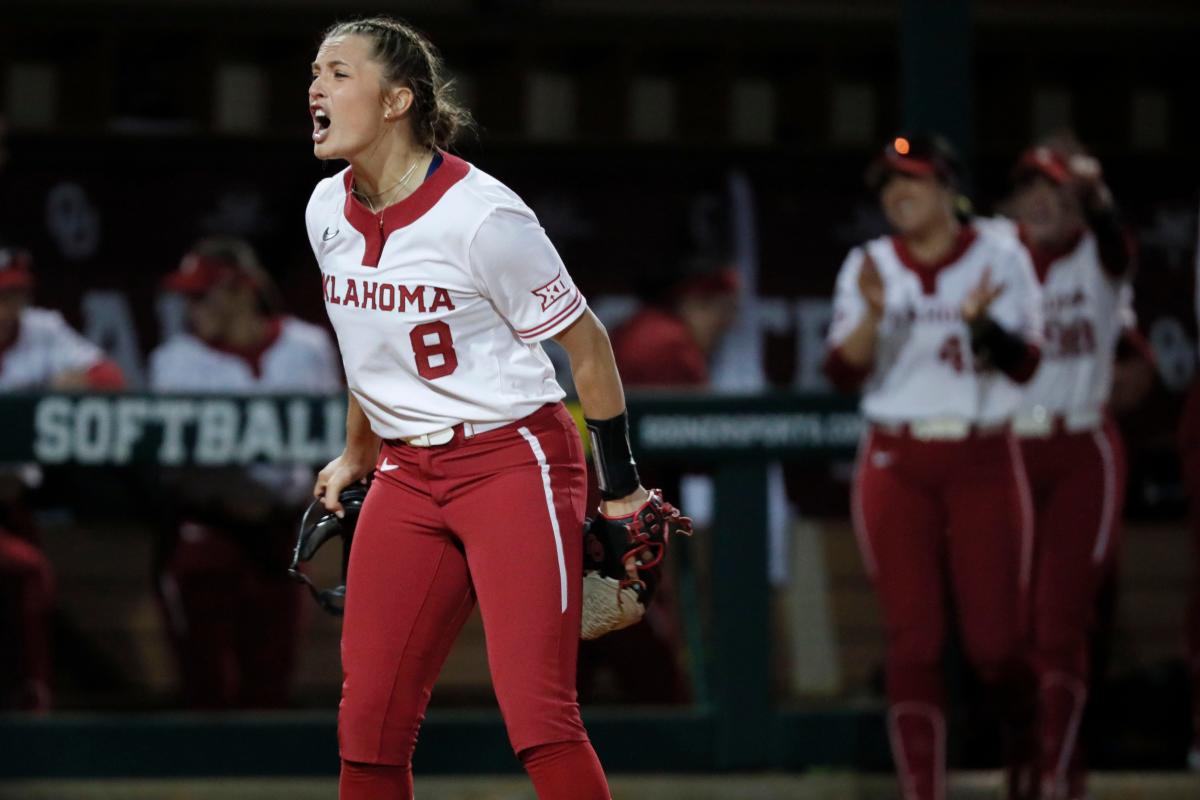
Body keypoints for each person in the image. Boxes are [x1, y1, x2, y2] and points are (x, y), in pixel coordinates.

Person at [305, 16, 676, 800]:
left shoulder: (483, 215)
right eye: (315, 72)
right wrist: (357, 452)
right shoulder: (324, 210)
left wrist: (622, 486)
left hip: (514, 459)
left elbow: (590, 349)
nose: (316, 87)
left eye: (339, 73)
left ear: (399, 99)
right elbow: (368, 350)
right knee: (367, 724)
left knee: (540, 716)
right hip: (408, 470)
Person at [823, 134, 1042, 800]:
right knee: (913, 639)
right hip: (897, 452)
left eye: (912, 180)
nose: (898, 195)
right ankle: (924, 791)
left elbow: (1024, 363)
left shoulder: (1001, 251)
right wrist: (876, 316)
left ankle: (1032, 763)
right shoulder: (870, 264)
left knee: (996, 646)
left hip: (981, 449)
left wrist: (980, 324)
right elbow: (839, 372)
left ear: (949, 188)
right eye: (889, 184)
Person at [995, 140, 1140, 800]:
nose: (1043, 200)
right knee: (1008, 630)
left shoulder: (1101, 252)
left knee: (1059, 625)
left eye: (1057, 190)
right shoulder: (998, 251)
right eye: (1031, 188)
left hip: (1082, 445)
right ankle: (1024, 771)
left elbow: (1112, 238)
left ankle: (1059, 775)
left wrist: (1096, 195)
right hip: (1011, 450)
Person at [149, 237, 341, 709]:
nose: (191, 307)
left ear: (242, 290)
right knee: (208, 686)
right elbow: (173, 467)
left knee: (270, 683)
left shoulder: (307, 347)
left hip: (284, 529)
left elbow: (335, 443)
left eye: (203, 294)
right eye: (187, 297)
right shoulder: (174, 361)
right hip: (207, 524)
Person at [0, 244, 126, 712]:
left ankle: (33, 698)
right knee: (28, 571)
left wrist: (62, 389)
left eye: (12, 296)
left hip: (14, 503)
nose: (6, 308)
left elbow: (110, 379)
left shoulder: (41, 331)